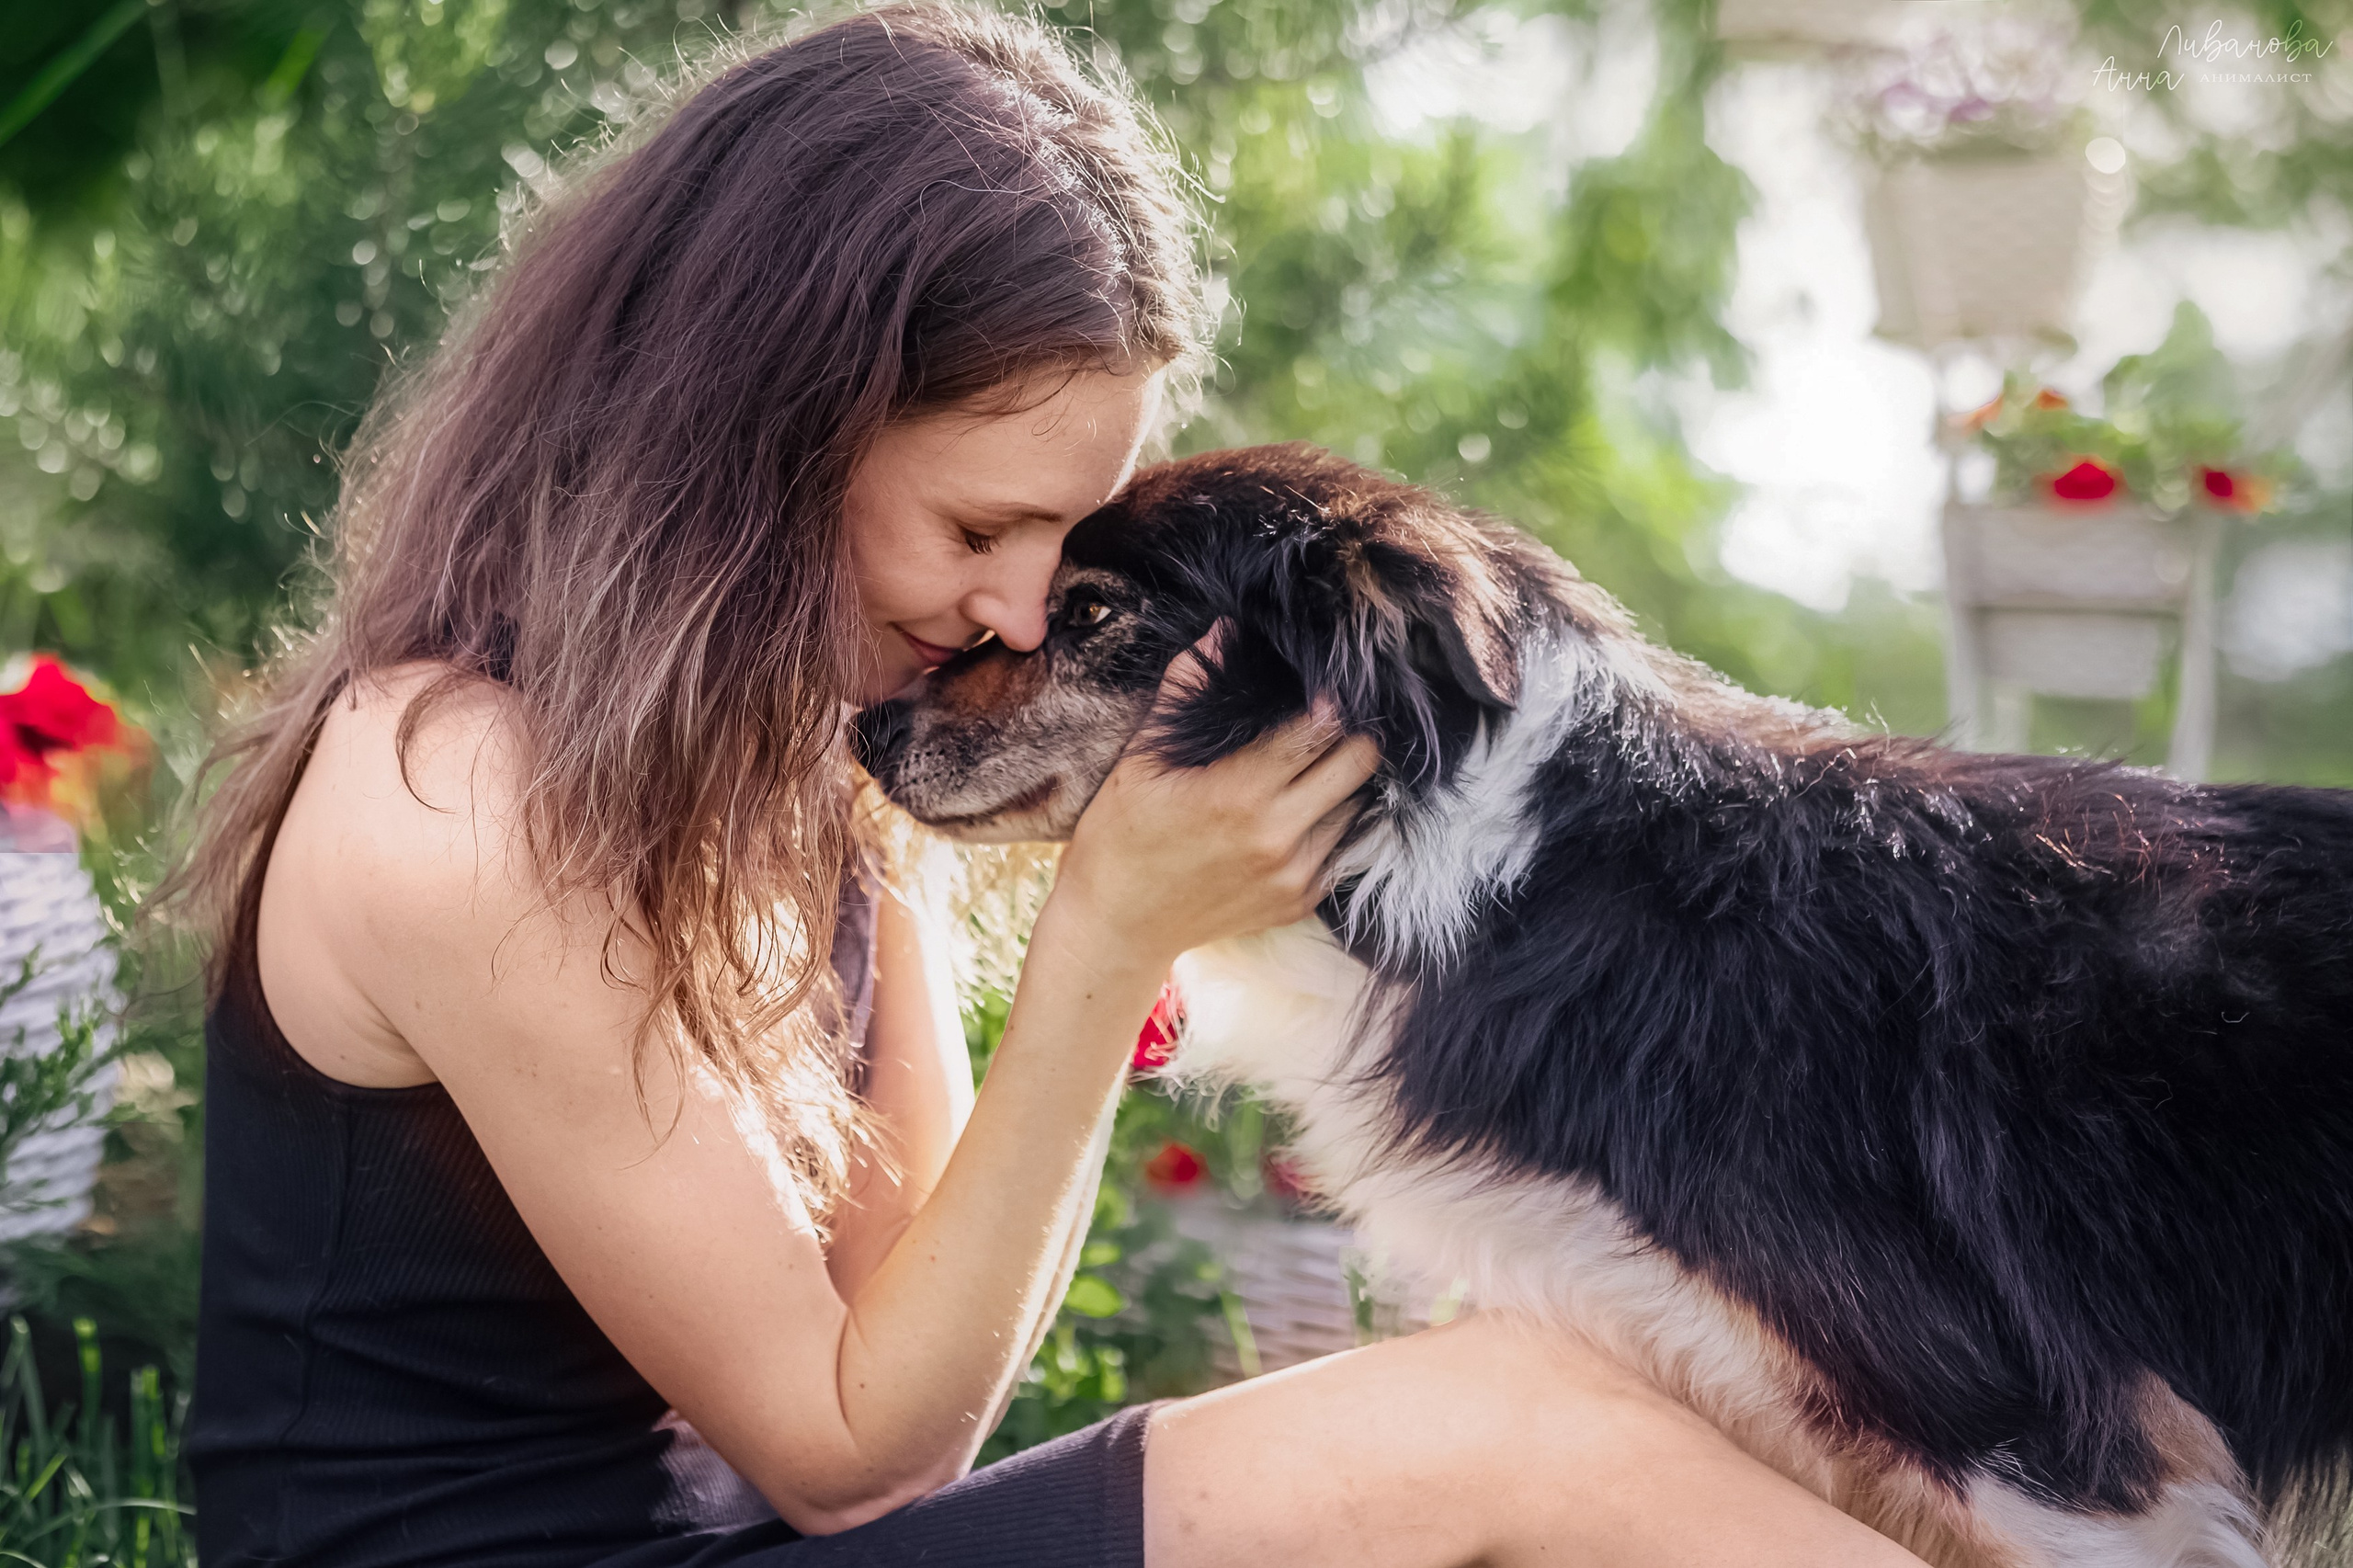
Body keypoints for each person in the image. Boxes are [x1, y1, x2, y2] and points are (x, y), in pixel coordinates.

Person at [171, 8, 1927, 1566]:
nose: (1019, 611)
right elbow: (857, 1456)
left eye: (1065, 542)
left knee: (1625, 1401)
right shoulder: (459, 791)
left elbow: (904, 1336)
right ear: (764, 436)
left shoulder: (814, 761)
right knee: (1519, 1429)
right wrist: (1111, 935)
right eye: (979, 527)